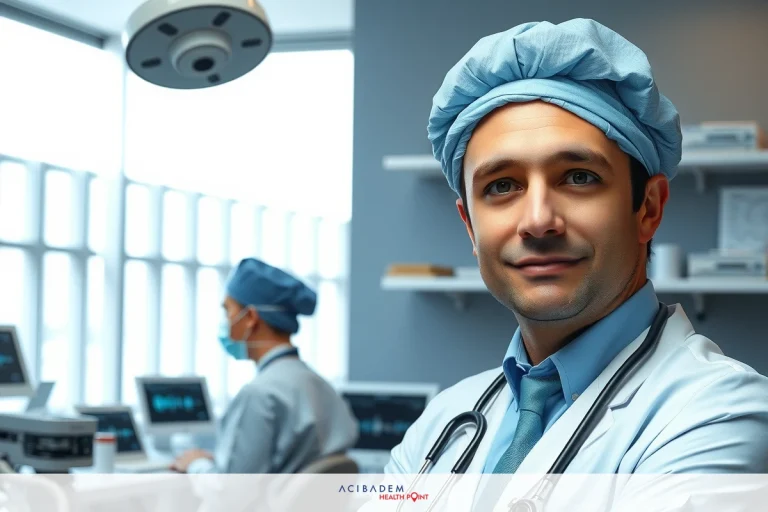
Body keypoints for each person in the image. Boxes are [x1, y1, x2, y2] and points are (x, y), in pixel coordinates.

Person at [381, 17, 768, 506]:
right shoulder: (442, 424)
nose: (538, 221)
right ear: (470, 228)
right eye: (502, 186)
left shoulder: (719, 413)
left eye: (579, 177)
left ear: (648, 209)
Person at [171, 257, 359, 474]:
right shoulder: (321, 386)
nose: (226, 322)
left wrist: (195, 465)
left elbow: (232, 489)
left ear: (250, 317)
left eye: (227, 310)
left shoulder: (260, 395)